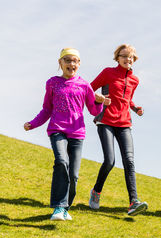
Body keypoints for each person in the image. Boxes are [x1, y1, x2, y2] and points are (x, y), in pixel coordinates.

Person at [24, 48, 108, 221]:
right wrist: (32, 124)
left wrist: (99, 103)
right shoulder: (52, 83)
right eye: (68, 60)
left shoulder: (84, 85)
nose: (72, 64)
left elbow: (93, 110)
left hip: (77, 133)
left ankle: (65, 208)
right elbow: (47, 109)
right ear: (60, 63)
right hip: (57, 130)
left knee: (74, 175)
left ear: (79, 64)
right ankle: (58, 207)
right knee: (62, 162)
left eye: (75, 61)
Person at [88, 44, 148, 216]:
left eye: (130, 57)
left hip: (124, 123)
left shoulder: (135, 80)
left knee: (129, 161)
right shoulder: (108, 72)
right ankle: (96, 192)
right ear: (117, 57)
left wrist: (135, 108)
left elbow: (127, 100)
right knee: (110, 161)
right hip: (105, 121)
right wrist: (99, 99)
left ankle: (133, 202)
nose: (127, 59)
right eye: (124, 56)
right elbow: (88, 90)